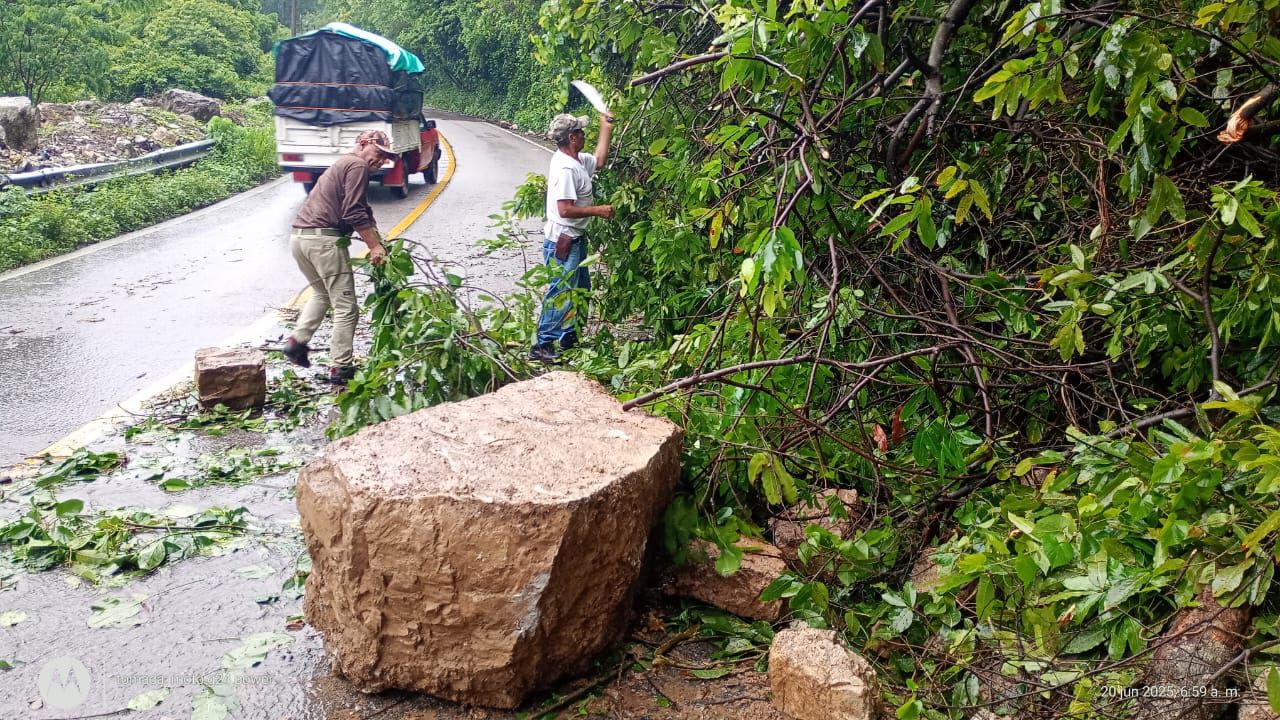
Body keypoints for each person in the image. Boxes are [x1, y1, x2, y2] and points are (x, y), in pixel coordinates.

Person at [280, 129, 393, 384]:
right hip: (323, 241)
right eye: (378, 153)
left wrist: (380, 239)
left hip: (300, 239)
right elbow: (353, 212)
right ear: (363, 144)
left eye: (386, 157)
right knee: (346, 306)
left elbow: (363, 207)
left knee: (322, 294)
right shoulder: (357, 165)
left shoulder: (343, 163)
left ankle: (296, 343)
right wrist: (374, 246)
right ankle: (341, 369)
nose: (382, 161)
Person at [530, 110, 616, 362]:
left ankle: (570, 337)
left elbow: (599, 161)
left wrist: (605, 127)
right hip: (563, 240)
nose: (584, 135)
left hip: (575, 239)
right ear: (571, 137)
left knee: (581, 290)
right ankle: (542, 345)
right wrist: (598, 211)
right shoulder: (566, 168)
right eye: (580, 132)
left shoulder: (577, 160)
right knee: (562, 292)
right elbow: (564, 210)